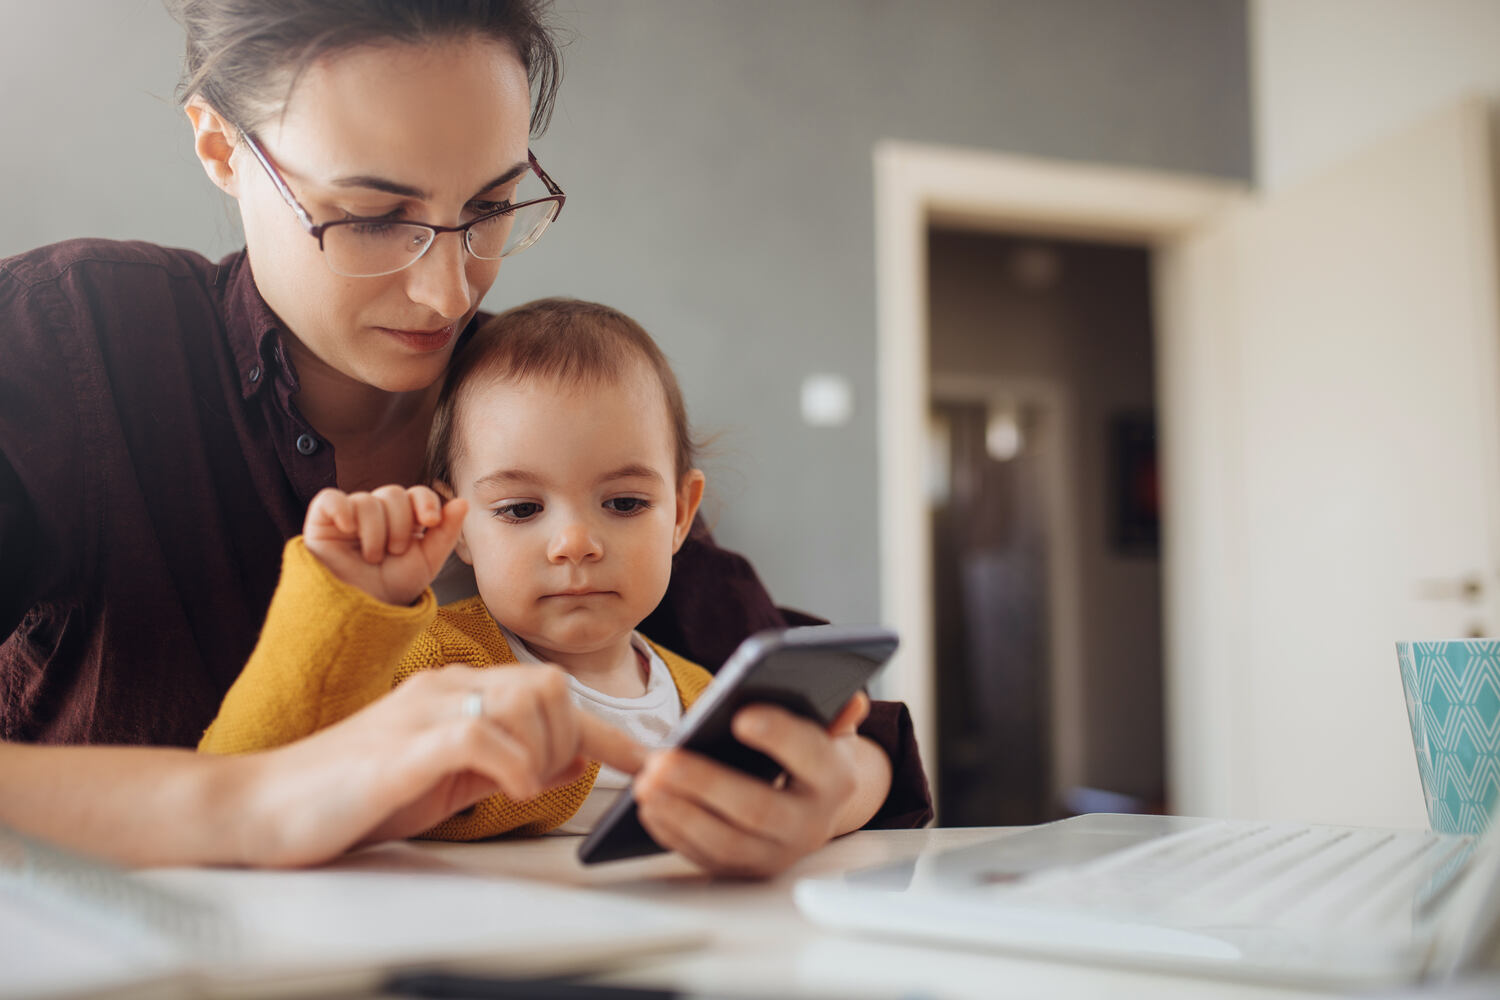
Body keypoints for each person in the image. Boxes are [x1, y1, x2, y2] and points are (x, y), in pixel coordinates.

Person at [0, 0, 930, 867]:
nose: (450, 294)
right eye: (372, 216)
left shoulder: (534, 400)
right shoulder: (66, 339)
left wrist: (835, 785)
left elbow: (814, 704)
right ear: (219, 145)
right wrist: (251, 800)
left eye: (490, 208)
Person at [200, 299, 893, 874]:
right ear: (460, 526)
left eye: (623, 504)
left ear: (681, 514)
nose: (575, 544)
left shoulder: (705, 696)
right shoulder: (437, 669)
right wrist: (342, 606)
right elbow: (248, 786)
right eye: (521, 510)